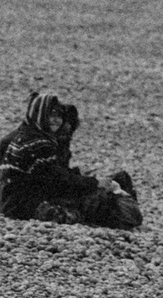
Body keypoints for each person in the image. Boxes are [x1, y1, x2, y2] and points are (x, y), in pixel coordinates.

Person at [1, 94, 142, 229]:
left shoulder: (32, 137)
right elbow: (55, 179)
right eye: (51, 115)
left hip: (18, 199)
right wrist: (93, 183)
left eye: (59, 116)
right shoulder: (37, 143)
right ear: (40, 115)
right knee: (82, 210)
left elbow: (52, 174)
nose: (57, 121)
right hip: (23, 204)